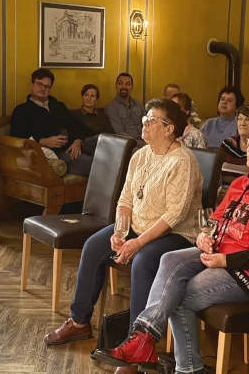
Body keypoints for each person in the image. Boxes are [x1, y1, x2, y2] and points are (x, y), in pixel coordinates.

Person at [93, 119, 249, 374]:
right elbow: (215, 220)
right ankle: (144, 339)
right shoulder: (241, 183)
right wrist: (205, 236)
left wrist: (225, 261)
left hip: (248, 273)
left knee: (177, 294)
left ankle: (183, 366)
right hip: (217, 253)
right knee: (169, 259)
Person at [43, 99, 202, 369]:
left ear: (169, 128)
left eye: (151, 120)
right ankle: (79, 322)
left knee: (143, 261)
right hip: (138, 227)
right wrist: (120, 232)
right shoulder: (141, 154)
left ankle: (133, 347)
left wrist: (137, 243)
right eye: (145, 118)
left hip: (176, 233)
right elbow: (126, 198)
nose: (144, 123)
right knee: (94, 246)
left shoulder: (183, 161)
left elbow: (174, 215)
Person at [10, 68, 96, 177]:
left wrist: (78, 140)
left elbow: (77, 124)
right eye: (39, 84)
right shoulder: (22, 110)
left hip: (76, 143)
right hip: (58, 151)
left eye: (47, 87)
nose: (43, 89)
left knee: (104, 140)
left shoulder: (58, 106)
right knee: (94, 164)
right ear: (32, 84)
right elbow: (17, 138)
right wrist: (42, 141)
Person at [105, 72, 144, 139]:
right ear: (116, 86)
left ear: (132, 87)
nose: (124, 87)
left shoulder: (138, 105)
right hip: (128, 143)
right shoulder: (111, 108)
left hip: (145, 140)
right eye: (120, 83)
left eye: (127, 84)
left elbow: (148, 125)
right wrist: (140, 143)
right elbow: (119, 133)